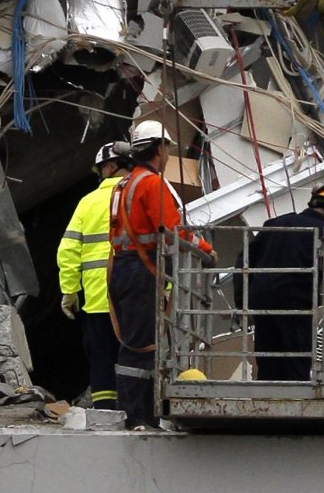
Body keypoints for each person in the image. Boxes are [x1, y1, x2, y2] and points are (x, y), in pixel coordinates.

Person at [108, 120, 217, 430]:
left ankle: (139, 413)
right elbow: (173, 231)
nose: (168, 154)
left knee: (135, 343)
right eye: (166, 148)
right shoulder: (152, 184)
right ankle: (139, 416)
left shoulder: (123, 183)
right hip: (142, 270)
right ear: (158, 148)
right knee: (143, 346)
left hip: (124, 268)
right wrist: (206, 248)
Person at [233, 182, 324, 381]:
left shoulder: (274, 224)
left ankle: (268, 406)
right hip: (295, 308)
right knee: (296, 368)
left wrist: (242, 304)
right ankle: (294, 408)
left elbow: (242, 264)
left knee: (269, 364)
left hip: (263, 305)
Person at [56, 143, 130, 410]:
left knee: (101, 359)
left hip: (98, 300)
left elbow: (68, 249)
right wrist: (165, 289)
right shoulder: (144, 195)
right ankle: (136, 412)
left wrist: (70, 290)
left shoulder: (88, 203)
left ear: (109, 168)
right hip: (136, 297)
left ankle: (105, 414)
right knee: (136, 358)